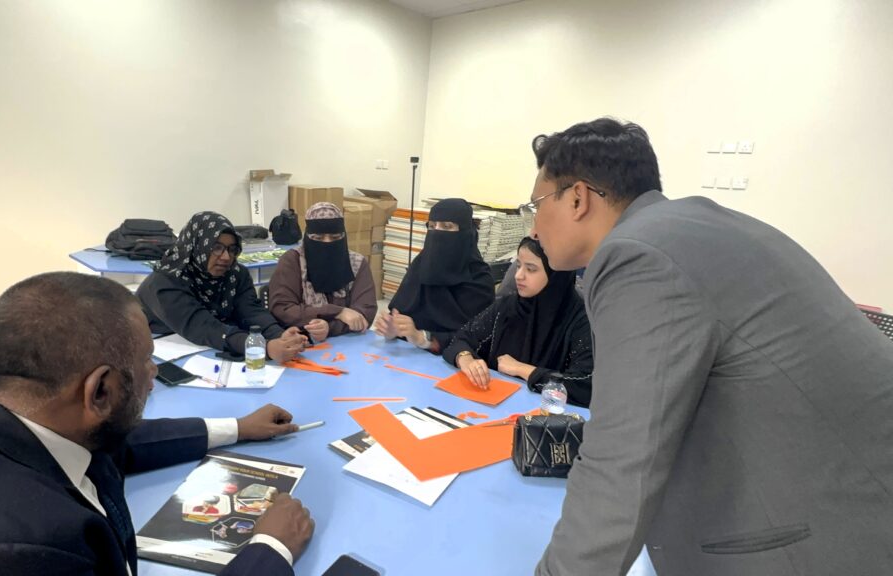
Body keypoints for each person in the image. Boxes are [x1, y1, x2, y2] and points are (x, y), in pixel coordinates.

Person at [527, 118, 893, 576]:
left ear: (578, 198)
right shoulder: (696, 226)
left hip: (827, 538)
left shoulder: (636, 257)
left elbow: (620, 469)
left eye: (535, 205)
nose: (533, 228)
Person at [0, 272, 314, 576]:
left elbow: (117, 442)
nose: (154, 375)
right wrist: (270, 549)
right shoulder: (13, 555)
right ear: (100, 390)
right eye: (147, 362)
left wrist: (237, 427)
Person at [442, 236, 593, 406]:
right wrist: (465, 359)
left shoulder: (580, 320)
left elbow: (584, 385)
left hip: (544, 414)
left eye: (531, 269)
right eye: (519, 265)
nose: (518, 275)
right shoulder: (507, 307)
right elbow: (461, 338)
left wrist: (522, 369)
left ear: (556, 274)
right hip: (492, 406)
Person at [137, 211, 305, 362]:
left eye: (232, 249)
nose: (226, 257)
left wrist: (278, 334)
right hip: (162, 353)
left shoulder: (235, 273)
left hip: (215, 345)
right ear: (197, 246)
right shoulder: (166, 282)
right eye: (216, 248)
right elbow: (202, 327)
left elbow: (251, 311)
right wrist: (264, 348)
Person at [375, 198, 495, 353]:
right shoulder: (420, 267)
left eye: (447, 226)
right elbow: (401, 315)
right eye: (432, 226)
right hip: (408, 358)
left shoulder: (480, 280)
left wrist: (425, 339)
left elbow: (479, 338)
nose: (437, 233)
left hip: (456, 363)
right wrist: (392, 329)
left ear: (466, 232)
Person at [268, 202, 378, 343]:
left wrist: (329, 327)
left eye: (335, 237)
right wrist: (337, 311)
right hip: (300, 341)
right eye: (318, 238)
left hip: (348, 343)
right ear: (307, 236)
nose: (327, 243)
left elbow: (365, 312)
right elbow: (282, 309)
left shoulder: (356, 263)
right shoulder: (293, 261)